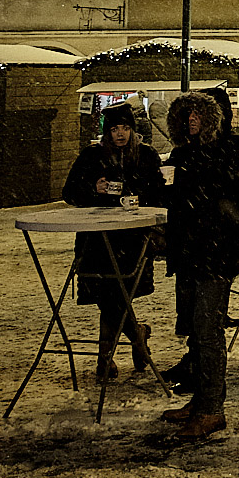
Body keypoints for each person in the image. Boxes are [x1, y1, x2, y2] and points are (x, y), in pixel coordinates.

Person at [156, 91, 239, 440]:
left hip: (216, 253)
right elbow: (178, 200)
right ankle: (200, 400)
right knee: (193, 331)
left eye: (198, 115)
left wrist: (238, 245)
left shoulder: (237, 150)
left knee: (208, 331)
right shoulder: (183, 153)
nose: (191, 121)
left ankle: (211, 410)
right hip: (189, 252)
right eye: (186, 116)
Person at [60, 103, 165, 379]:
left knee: (115, 294)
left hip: (132, 238)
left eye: (126, 128)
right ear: (107, 131)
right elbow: (70, 192)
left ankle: (105, 358)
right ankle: (136, 335)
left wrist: (140, 200)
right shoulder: (92, 156)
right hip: (96, 238)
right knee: (109, 294)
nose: (121, 134)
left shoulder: (145, 156)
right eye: (116, 129)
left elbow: (158, 193)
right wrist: (92, 189)